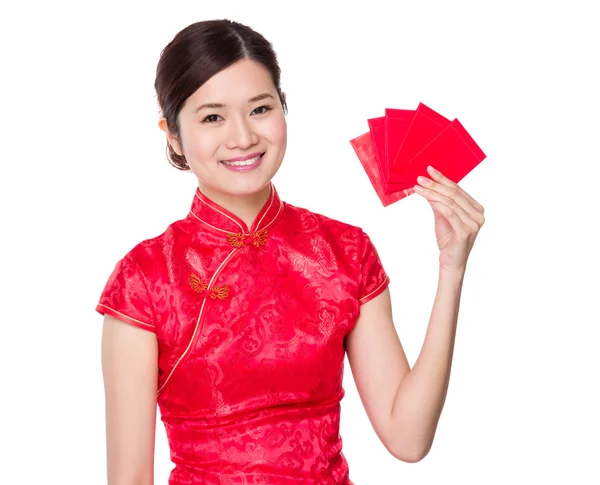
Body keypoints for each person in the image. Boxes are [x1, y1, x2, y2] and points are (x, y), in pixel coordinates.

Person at [96, 19, 485, 485]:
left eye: (260, 109)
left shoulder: (345, 251)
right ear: (173, 133)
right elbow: (129, 479)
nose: (242, 137)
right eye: (212, 117)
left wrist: (451, 267)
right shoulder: (145, 277)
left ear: (284, 107)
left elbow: (409, 437)